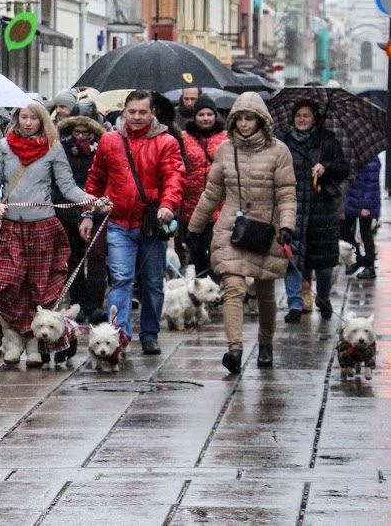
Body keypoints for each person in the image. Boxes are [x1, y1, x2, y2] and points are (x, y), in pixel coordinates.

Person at [186, 92, 296, 373]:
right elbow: (212, 193)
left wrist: (286, 227)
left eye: (250, 118)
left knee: (265, 292)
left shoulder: (279, 150)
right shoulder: (225, 149)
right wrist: (194, 228)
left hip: (266, 229)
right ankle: (234, 348)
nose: (245, 124)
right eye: (240, 119)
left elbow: (286, 194)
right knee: (233, 288)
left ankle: (266, 342)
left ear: (261, 121)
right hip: (232, 227)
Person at [0, 101, 96, 367]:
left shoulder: (53, 147)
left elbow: (67, 185)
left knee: (40, 289)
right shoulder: (4, 146)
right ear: (17, 118)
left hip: (43, 227)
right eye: (23, 117)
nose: (27, 123)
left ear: (42, 121)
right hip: (10, 226)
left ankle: (35, 346)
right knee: (4, 284)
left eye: (33, 118)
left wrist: (89, 199)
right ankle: (12, 341)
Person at [81, 90, 185, 355]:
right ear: (124, 112)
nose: (137, 117)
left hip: (151, 224)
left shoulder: (166, 142)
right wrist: (87, 213)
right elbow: (95, 179)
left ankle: (150, 334)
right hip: (117, 223)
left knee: (152, 283)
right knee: (121, 280)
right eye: (132, 112)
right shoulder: (109, 141)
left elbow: (174, 177)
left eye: (142, 112)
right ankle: (120, 335)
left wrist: (167, 204)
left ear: (152, 114)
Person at [276, 99, 349, 322]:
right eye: (298, 115)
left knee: (324, 263)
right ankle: (296, 304)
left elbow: (343, 168)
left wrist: (326, 168)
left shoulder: (327, 141)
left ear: (315, 118)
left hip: (322, 211)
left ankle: (324, 298)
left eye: (306, 115)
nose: (302, 119)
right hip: (293, 208)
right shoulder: (284, 141)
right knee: (293, 258)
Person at [54, 105, 108, 321]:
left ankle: (94, 305)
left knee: (96, 257)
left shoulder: (102, 149)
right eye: (77, 132)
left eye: (86, 133)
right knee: (72, 258)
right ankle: (78, 303)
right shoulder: (60, 149)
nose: (81, 137)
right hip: (67, 211)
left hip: (96, 209)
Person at [179, 95, 228, 278]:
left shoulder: (225, 138)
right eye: (201, 114)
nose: (206, 118)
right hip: (190, 206)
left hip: (218, 206)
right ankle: (201, 286)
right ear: (194, 116)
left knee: (215, 249)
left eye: (209, 114)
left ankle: (215, 286)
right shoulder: (183, 138)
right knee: (196, 251)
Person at [342, 156, 381, 280]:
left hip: (363, 203)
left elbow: (371, 185)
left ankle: (369, 266)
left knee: (365, 232)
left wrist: (367, 206)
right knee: (343, 229)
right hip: (353, 199)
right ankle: (357, 257)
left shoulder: (371, 160)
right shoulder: (356, 155)